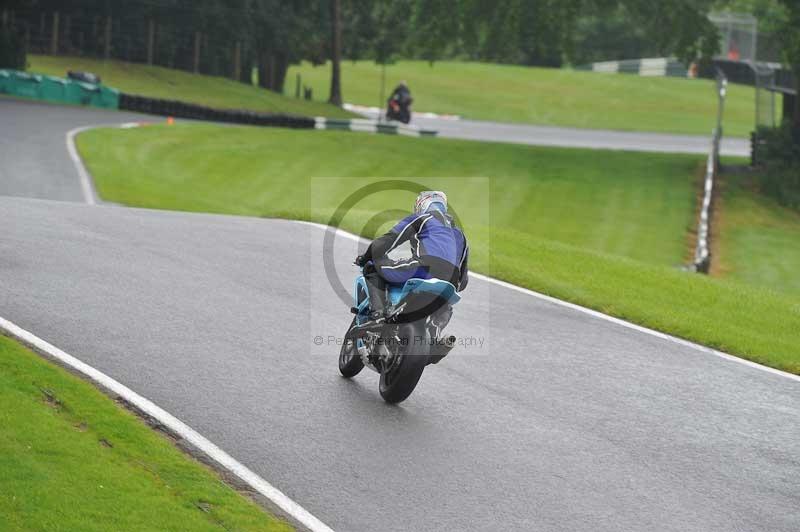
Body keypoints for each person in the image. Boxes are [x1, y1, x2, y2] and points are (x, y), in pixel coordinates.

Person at [356, 191, 469, 321]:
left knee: (373, 267)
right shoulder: (461, 235)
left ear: (422, 205)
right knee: (447, 305)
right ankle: (435, 334)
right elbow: (463, 281)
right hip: (451, 280)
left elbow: (388, 240)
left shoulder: (422, 218)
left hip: (424, 268)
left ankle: (378, 313)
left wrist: (365, 258)